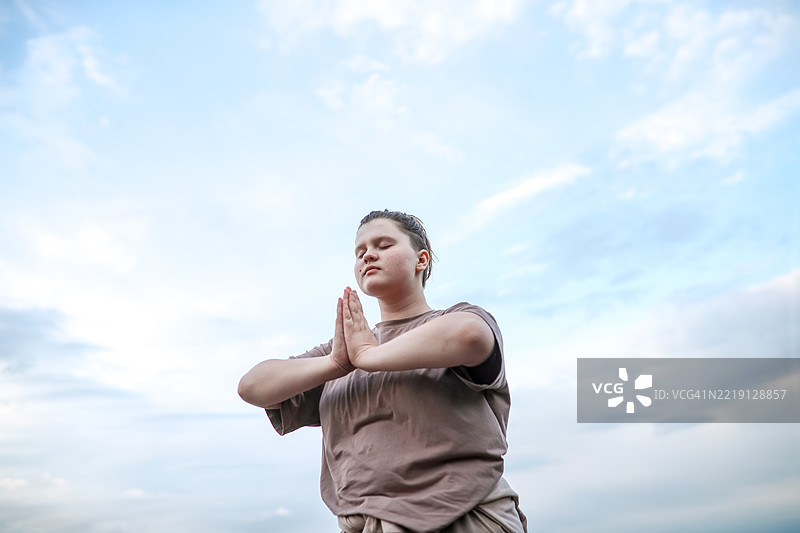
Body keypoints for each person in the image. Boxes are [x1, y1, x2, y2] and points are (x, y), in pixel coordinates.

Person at [238, 210, 527, 533]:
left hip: (464, 515)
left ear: (421, 260)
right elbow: (252, 386)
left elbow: (469, 336)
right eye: (360, 252)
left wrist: (369, 356)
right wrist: (335, 364)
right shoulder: (343, 353)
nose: (368, 255)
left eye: (384, 244)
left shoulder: (452, 321)